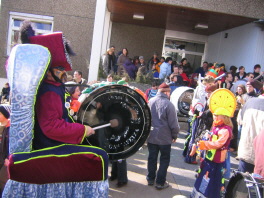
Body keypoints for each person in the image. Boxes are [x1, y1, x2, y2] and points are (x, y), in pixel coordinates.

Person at [190, 89, 236, 198]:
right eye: (214, 115)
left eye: (217, 115)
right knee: (203, 179)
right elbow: (209, 138)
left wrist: (203, 144)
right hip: (208, 159)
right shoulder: (215, 126)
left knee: (211, 183)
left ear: (223, 117)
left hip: (216, 162)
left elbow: (218, 144)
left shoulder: (225, 130)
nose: (214, 117)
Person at [147, 82, 180, 190]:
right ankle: (160, 182)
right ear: (166, 92)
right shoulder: (169, 105)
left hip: (151, 135)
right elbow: (173, 123)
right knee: (164, 160)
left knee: (152, 157)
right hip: (165, 137)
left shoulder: (150, 101)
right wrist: (175, 135)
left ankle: (150, 178)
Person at [236, 97, 264, 173]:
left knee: (242, 181)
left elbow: (240, 121)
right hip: (260, 157)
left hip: (246, 149)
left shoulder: (249, 102)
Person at [0, 105, 11, 196]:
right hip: (3, 160)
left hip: (8, 162)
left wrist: (8, 158)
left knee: (3, 180)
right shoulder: (5, 128)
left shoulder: (11, 129)